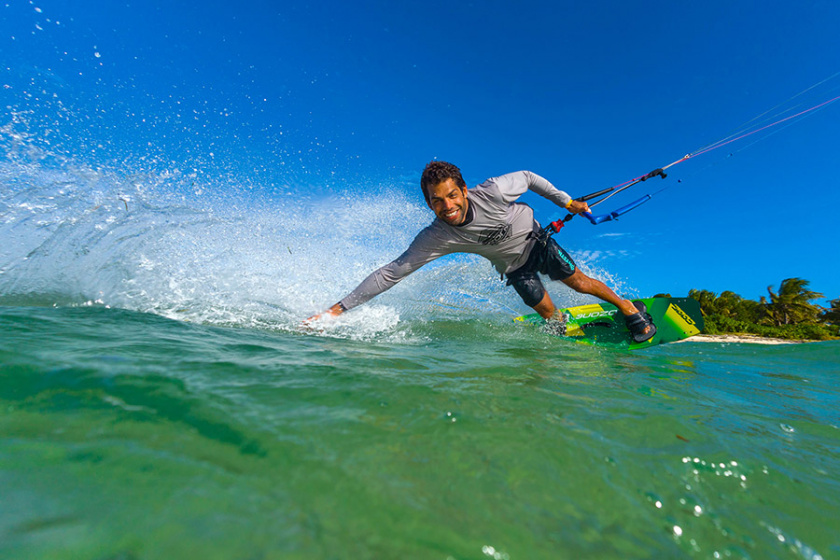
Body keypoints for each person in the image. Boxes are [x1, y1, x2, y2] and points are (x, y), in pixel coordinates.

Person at [306, 161, 655, 341]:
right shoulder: (436, 237)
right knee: (545, 309)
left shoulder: (493, 191)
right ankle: (563, 328)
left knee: (578, 282)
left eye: (452, 195)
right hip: (513, 267)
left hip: (536, 241)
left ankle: (628, 308)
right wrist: (335, 311)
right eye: (437, 201)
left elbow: (529, 177)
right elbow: (391, 273)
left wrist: (566, 202)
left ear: (464, 189)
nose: (448, 206)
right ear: (428, 203)